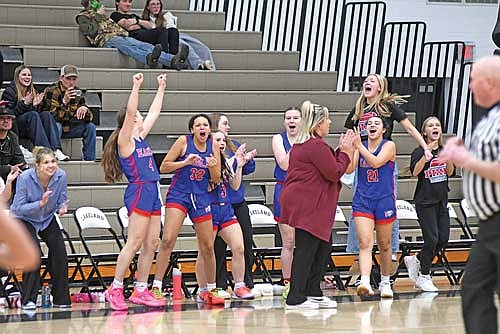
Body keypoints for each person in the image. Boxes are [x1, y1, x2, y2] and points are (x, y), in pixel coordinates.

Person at [344, 73, 433, 275]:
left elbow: (409, 128)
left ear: (380, 87)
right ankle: (359, 255)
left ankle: (391, 251)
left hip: (383, 161)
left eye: (372, 80)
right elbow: (348, 137)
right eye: (366, 80)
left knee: (387, 205)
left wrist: (425, 147)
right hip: (362, 161)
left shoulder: (387, 107)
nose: (367, 82)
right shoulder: (358, 110)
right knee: (359, 205)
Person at [437, 56, 500, 334]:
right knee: (474, 286)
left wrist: (466, 159)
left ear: (491, 83)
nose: (470, 85)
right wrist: (465, 153)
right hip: (489, 225)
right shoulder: (490, 118)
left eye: (474, 79)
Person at [101, 72, 167, 311]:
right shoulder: (125, 141)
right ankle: (115, 288)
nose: (140, 117)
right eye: (137, 116)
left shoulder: (140, 137)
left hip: (152, 190)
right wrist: (136, 87)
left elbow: (155, 113)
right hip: (139, 191)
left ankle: (141, 289)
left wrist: (161, 87)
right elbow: (131, 112)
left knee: (152, 242)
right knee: (135, 241)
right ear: (129, 122)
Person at [282, 101, 355, 309]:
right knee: (306, 249)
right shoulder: (315, 145)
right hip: (307, 203)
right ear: (318, 123)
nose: (330, 122)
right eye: (327, 119)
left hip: (312, 203)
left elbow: (329, 165)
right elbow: (334, 172)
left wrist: (341, 150)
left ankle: (313, 291)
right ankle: (295, 298)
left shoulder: (312, 145)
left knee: (323, 247)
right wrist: (345, 152)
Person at [151, 114, 222, 305]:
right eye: (198, 125)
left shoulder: (213, 145)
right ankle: (156, 286)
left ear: (209, 129)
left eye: (205, 125)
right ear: (192, 130)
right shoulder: (183, 141)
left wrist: (213, 166)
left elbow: (216, 179)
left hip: (201, 197)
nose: (202, 128)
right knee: (168, 239)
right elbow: (163, 167)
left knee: (207, 246)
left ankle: (211, 288)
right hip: (179, 195)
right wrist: (185, 162)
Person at [10, 147, 71, 310]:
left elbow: (63, 199)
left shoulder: (61, 176)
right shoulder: (25, 178)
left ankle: (61, 298)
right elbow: (17, 209)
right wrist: (40, 204)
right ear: (37, 165)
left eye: (53, 161)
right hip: (24, 219)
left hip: (47, 217)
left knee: (60, 252)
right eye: (46, 162)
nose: (51, 165)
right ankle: (28, 299)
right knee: (34, 253)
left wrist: (62, 208)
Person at [195, 131, 254, 300]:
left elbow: (234, 186)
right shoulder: (202, 161)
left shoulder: (226, 161)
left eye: (223, 140)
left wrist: (240, 165)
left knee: (239, 247)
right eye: (217, 140)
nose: (221, 142)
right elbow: (205, 188)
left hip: (226, 209)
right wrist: (216, 170)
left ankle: (239, 286)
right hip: (208, 210)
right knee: (205, 251)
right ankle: (203, 289)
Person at [345, 115, 397, 298]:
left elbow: (375, 163)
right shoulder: (361, 146)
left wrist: (359, 146)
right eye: (369, 123)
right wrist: (348, 150)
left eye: (376, 123)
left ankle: (385, 281)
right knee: (365, 242)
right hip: (363, 200)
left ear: (383, 129)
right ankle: (365, 281)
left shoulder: (389, 146)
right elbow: (350, 170)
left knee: (384, 244)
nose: (372, 125)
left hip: (384, 200)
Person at [405, 116, 454, 292]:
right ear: (424, 132)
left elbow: (449, 171)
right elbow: (414, 172)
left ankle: (416, 259)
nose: (435, 128)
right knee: (431, 239)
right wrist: (427, 156)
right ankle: (424, 275)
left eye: (438, 125)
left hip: (441, 200)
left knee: (443, 239)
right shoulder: (418, 151)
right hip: (425, 202)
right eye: (431, 125)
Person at [211, 113, 257, 297]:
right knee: (215, 248)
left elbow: (242, 175)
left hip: (235, 204)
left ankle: (244, 283)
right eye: (224, 124)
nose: (228, 128)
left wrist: (243, 161)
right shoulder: (205, 153)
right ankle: (217, 285)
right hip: (214, 206)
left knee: (243, 244)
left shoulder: (234, 145)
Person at [76, 3, 186, 69]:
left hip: (121, 35)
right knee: (129, 48)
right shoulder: (82, 17)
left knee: (144, 45)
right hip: (106, 39)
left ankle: (173, 60)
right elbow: (90, 31)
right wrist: (98, 15)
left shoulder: (103, 14)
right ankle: (147, 58)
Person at [1, 65, 69, 161]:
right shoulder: (10, 91)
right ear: (17, 77)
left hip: (29, 124)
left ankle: (56, 149)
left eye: (29, 75)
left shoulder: (33, 91)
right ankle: (45, 152)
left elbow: (37, 116)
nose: (27, 77)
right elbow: (8, 114)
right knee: (33, 115)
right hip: (16, 126)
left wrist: (35, 105)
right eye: (24, 75)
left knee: (46, 114)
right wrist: (24, 104)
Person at [271, 106, 301, 298]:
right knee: (288, 241)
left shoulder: (311, 138)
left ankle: (306, 279)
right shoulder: (278, 138)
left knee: (306, 240)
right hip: (284, 189)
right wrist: (299, 143)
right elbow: (283, 163)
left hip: (305, 190)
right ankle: (288, 282)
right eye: (288, 118)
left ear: (302, 121)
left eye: (295, 118)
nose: (291, 121)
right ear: (284, 122)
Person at [111, 0, 189, 70]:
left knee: (173, 31)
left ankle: (174, 59)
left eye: (130, 2)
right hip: (134, 36)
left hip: (144, 33)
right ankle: (166, 63)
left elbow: (149, 25)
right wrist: (139, 23)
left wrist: (136, 21)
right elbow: (127, 25)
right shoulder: (115, 15)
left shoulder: (134, 16)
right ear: (117, 2)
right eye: (125, 1)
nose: (128, 4)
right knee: (161, 31)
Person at [43, 65, 96, 161]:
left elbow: (89, 118)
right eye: (68, 79)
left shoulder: (77, 92)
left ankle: (90, 159)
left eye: (74, 79)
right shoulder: (51, 91)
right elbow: (52, 117)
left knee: (90, 127)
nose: (71, 82)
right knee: (57, 125)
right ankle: (56, 154)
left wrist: (85, 109)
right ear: (61, 78)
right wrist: (64, 102)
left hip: (70, 127)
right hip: (54, 129)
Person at [142, 0, 215, 70]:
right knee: (183, 45)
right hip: (161, 40)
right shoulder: (145, 21)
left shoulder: (166, 15)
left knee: (201, 47)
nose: (156, 6)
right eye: (153, 4)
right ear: (148, 7)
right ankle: (199, 65)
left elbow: (172, 28)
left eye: (158, 4)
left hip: (174, 35)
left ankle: (209, 67)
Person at [0, 102, 26, 183]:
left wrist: (22, 167)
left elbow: (19, 159)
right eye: (2, 118)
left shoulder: (12, 136)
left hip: (7, 174)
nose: (6, 121)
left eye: (9, 118)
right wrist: (10, 168)